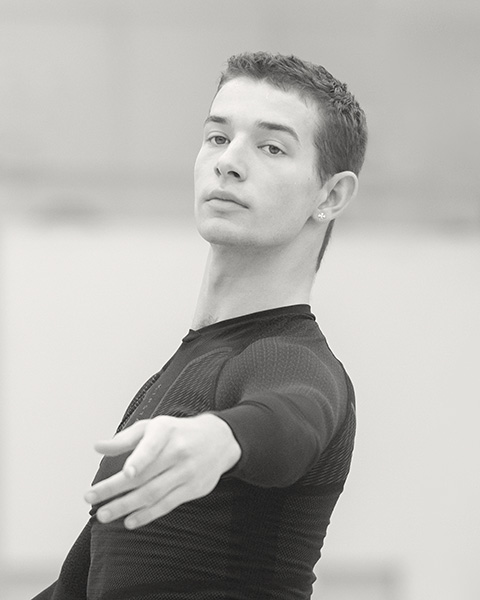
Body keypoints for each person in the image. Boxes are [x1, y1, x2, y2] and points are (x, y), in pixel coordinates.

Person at [34, 51, 367, 600]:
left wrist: (222, 436)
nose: (229, 162)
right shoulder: (182, 373)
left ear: (329, 195)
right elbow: (88, 580)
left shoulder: (290, 360)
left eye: (271, 146)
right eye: (217, 137)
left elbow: (293, 414)